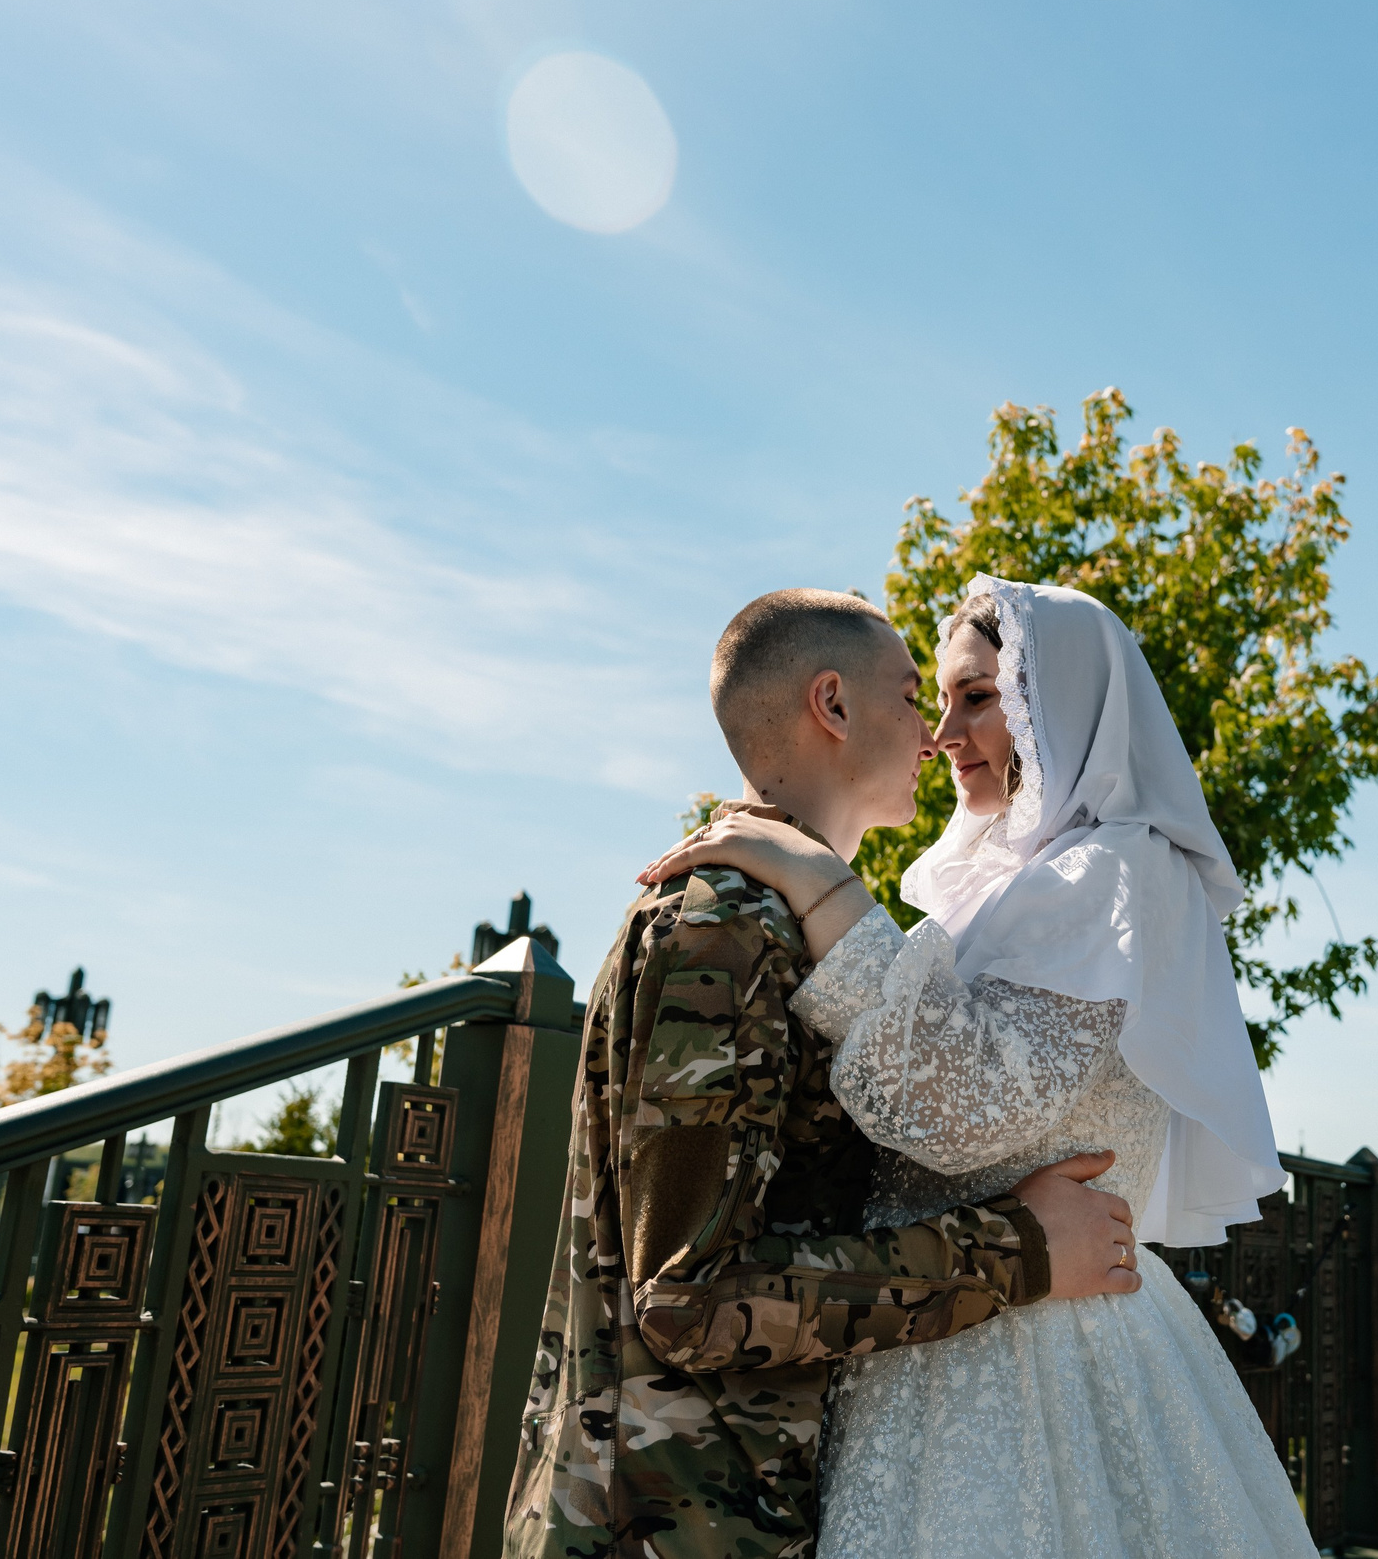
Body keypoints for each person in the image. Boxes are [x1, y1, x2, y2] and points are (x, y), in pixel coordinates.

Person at [639, 576, 1318, 1559]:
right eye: (938, 699)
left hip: (1042, 1350)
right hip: (937, 1326)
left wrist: (821, 882)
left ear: (1064, 704)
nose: (943, 734)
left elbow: (960, 1109)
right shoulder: (981, 892)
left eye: (978, 698)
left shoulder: (1118, 869)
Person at [503, 587, 1145, 1559]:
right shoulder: (723, 926)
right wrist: (1018, 1250)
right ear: (833, 706)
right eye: (905, 698)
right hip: (666, 1523)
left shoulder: (779, 921)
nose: (932, 735)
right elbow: (693, 1297)